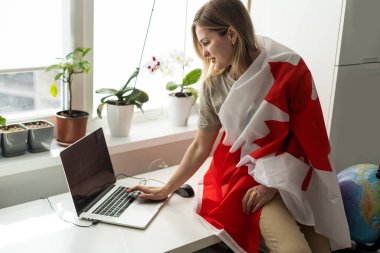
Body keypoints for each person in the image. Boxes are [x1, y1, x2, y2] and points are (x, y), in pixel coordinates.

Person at [128, 0, 351, 252]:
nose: (204, 53)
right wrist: (167, 188)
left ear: (231, 34)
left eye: (206, 42)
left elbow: (310, 139)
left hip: (295, 171)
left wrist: (274, 184)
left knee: (325, 247)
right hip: (246, 173)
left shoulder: (287, 67)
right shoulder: (213, 85)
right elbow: (201, 145)